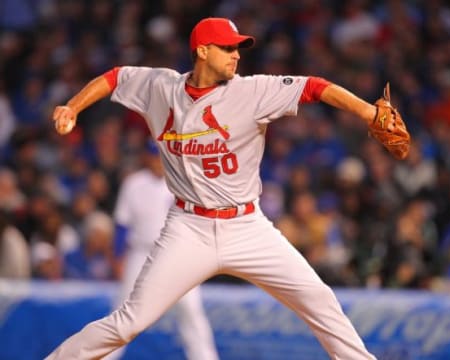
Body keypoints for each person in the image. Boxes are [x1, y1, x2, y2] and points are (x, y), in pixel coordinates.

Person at [46, 17, 390, 359]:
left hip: (247, 226)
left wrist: (368, 112)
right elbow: (115, 77)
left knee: (319, 299)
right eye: (227, 47)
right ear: (202, 51)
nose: (236, 55)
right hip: (188, 227)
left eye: (238, 47)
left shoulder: (252, 91)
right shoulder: (161, 87)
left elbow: (314, 86)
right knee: (127, 323)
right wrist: (72, 106)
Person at [106, 140, 218, 360]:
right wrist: (118, 256)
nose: (158, 160)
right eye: (154, 155)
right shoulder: (134, 183)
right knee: (123, 311)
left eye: (162, 155)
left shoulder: (184, 181)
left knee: (190, 310)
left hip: (177, 254)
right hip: (141, 252)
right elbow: (122, 224)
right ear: (146, 157)